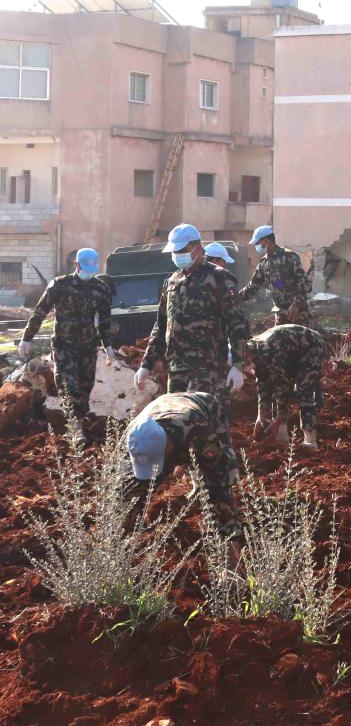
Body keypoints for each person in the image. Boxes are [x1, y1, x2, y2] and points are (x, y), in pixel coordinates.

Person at [137, 224, 249, 433]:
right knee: (175, 423)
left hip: (207, 367)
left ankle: (220, 464)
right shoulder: (172, 281)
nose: (177, 255)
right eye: (175, 252)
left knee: (205, 423)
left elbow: (237, 323)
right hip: (177, 367)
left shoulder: (220, 278)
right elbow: (161, 325)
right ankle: (186, 466)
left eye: (182, 251)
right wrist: (147, 363)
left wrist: (238, 364)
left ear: (197, 248)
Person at [124, 391, 243, 539]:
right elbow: (125, 490)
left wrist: (228, 537)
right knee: (131, 487)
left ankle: (202, 493)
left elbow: (218, 485)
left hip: (206, 407)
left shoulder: (199, 433)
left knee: (224, 472)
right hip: (162, 407)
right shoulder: (133, 439)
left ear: (169, 446)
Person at [19, 248, 115, 420]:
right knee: (69, 387)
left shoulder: (101, 289)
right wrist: (27, 338)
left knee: (85, 389)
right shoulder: (59, 285)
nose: (88, 273)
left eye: (92, 270)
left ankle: (81, 424)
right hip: (64, 346)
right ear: (76, 265)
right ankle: (75, 429)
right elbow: (40, 312)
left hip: (88, 347)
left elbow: (105, 320)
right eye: (85, 269)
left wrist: (108, 346)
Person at [248, 323, 328, 448]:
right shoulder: (254, 354)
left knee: (304, 392)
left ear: (247, 356)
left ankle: (310, 440)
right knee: (275, 388)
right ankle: (282, 436)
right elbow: (263, 385)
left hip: (311, 347)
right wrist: (260, 417)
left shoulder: (268, 351)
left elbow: (283, 388)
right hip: (291, 352)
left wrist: (277, 421)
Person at [238, 225, 311, 326]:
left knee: (301, 340)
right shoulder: (264, 263)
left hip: (297, 313)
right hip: (281, 315)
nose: (257, 246)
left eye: (258, 243)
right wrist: (233, 298)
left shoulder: (289, 257)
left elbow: (304, 284)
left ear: (267, 240)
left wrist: (296, 304)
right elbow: (252, 287)